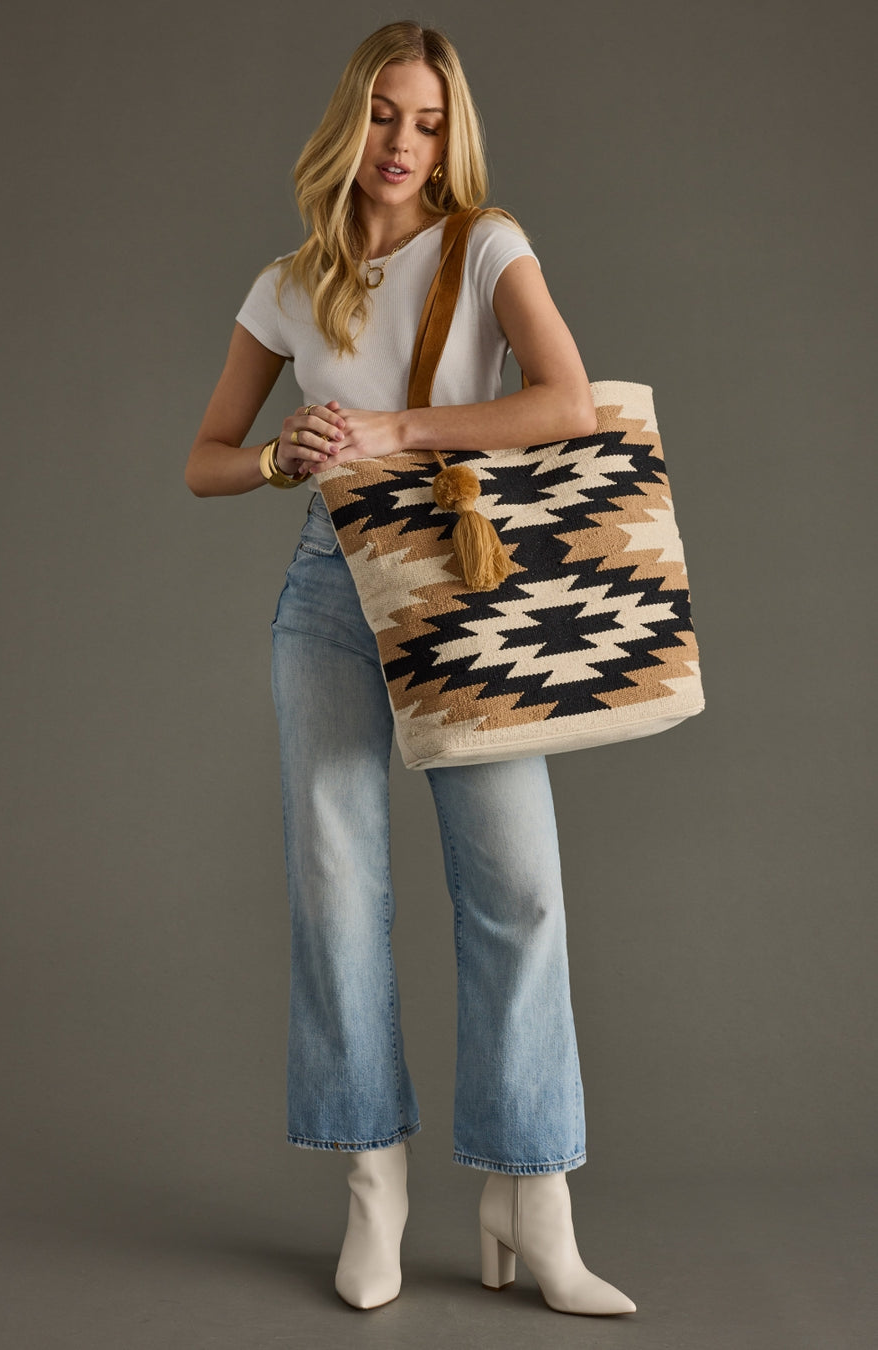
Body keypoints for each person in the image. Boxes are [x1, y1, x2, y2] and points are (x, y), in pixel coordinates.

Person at [185, 20, 636, 1317]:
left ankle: (532, 1193)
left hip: (461, 587)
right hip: (331, 585)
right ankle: (372, 1185)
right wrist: (281, 456)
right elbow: (205, 454)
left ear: (453, 136)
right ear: (353, 119)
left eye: (428, 124)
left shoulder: (487, 245)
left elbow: (568, 402)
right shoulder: (288, 282)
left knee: (521, 889)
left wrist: (397, 425)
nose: (403, 144)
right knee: (337, 885)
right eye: (386, 116)